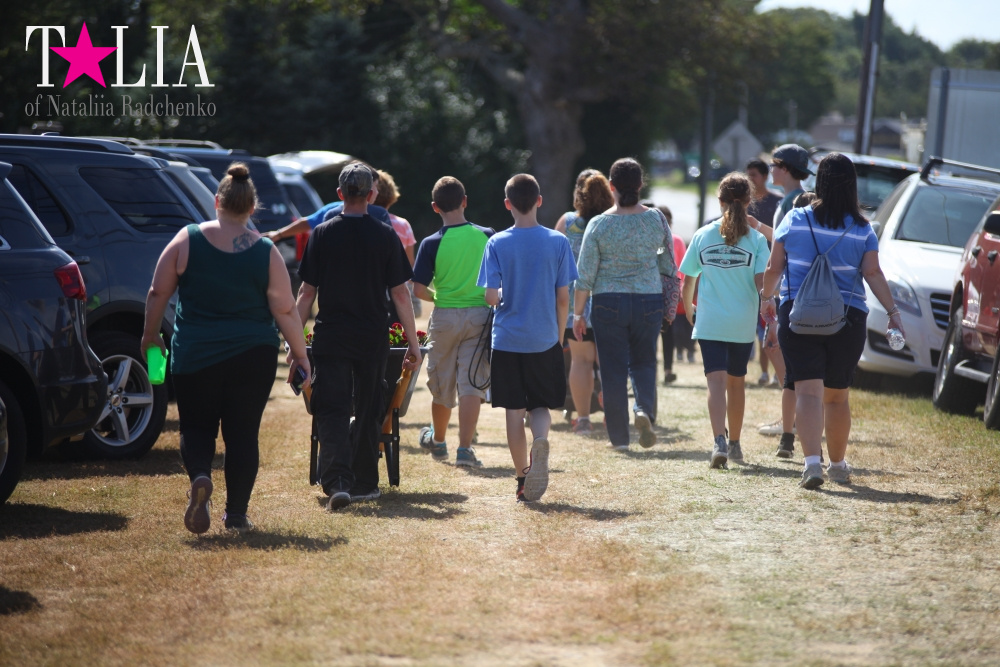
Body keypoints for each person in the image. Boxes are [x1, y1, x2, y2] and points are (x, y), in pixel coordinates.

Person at [141, 163, 311, 534]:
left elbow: (158, 292)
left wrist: (150, 336)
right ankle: (236, 514)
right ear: (253, 207)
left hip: (195, 353)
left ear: (217, 201)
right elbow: (284, 308)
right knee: (242, 434)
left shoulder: (187, 239)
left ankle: (201, 475)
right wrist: (299, 353)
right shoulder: (265, 250)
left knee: (197, 427)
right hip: (253, 354)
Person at [759, 152, 904, 489]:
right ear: (851, 184)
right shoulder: (863, 228)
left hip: (799, 314)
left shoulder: (795, 219)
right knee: (837, 396)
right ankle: (837, 464)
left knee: (808, 391)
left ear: (818, 182)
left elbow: (773, 269)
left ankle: (812, 464)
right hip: (848, 317)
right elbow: (872, 273)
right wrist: (893, 313)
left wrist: (767, 299)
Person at [295, 162, 421, 510]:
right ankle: (365, 481)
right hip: (371, 336)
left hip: (331, 335)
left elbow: (306, 292)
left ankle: (337, 480)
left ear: (339, 195)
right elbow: (400, 294)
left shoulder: (323, 233)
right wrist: (412, 343)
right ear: (372, 194)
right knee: (369, 406)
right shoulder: (385, 235)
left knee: (332, 407)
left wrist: (294, 342)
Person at [478, 174, 576, 502]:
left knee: (512, 409)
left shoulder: (496, 243)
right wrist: (559, 332)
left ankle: (522, 478)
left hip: (507, 339)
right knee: (540, 404)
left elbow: (491, 297)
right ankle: (542, 440)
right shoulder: (557, 242)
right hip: (545, 337)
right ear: (539, 200)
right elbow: (563, 297)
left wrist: (504, 292)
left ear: (507, 204)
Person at [573, 158, 672, 451]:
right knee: (644, 362)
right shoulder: (656, 219)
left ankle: (619, 440)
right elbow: (667, 264)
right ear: (641, 185)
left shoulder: (599, 224)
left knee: (613, 370)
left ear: (611, 186)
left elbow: (585, 275)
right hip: (648, 300)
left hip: (608, 302)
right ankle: (643, 409)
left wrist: (578, 314)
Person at [679, 172, 769, 468]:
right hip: (742, 323)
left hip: (711, 321)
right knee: (736, 384)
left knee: (714, 383)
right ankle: (735, 444)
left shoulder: (703, 236)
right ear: (748, 202)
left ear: (720, 202)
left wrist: (690, 310)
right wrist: (769, 307)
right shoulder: (756, 240)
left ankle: (718, 440)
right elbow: (762, 283)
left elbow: (688, 280)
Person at [412, 176, 494, 466]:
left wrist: (440, 299)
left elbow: (418, 289)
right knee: (472, 383)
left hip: (445, 317)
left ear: (435, 208)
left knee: (442, 383)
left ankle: (439, 441)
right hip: (480, 316)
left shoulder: (431, 243)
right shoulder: (486, 235)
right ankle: (464, 450)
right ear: (465, 201)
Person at [757, 144, 812, 455]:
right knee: (778, 352)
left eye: (775, 164)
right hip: (786, 287)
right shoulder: (790, 201)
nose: (771, 169)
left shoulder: (793, 203)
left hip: (788, 288)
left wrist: (771, 294)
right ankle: (790, 423)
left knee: (780, 354)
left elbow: (783, 248)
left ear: (787, 169)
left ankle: (791, 423)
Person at [555, 169, 614, 434]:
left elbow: (554, 264)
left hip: (572, 306)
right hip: (608, 302)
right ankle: (612, 413)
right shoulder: (612, 222)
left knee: (580, 362)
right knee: (608, 361)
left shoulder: (567, 223)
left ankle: (583, 420)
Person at [746, 158, 782, 385]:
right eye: (747, 175)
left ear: (765, 176)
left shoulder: (778, 203)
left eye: (754, 175)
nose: (750, 179)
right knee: (754, 319)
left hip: (773, 268)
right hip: (748, 267)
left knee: (770, 319)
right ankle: (761, 371)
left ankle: (772, 370)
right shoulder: (744, 203)